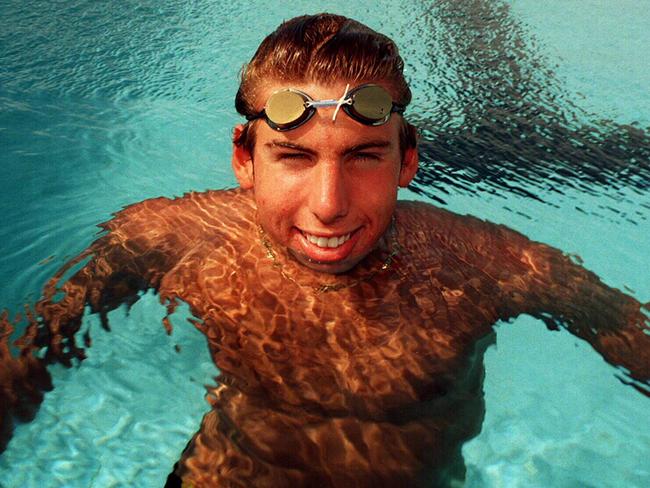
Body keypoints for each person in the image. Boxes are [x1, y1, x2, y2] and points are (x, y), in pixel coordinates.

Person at [1, 13, 648, 488]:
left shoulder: (488, 265)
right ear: (244, 158)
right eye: (294, 156)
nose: (329, 205)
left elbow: (631, 336)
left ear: (408, 160)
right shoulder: (168, 240)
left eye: (364, 156)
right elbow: (27, 354)